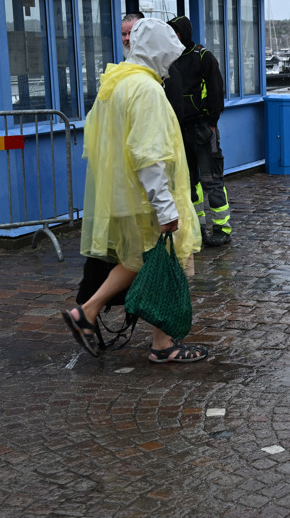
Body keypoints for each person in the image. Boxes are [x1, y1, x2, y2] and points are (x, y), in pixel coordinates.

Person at [64, 18, 207, 363]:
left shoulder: (116, 84)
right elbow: (149, 153)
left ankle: (87, 310)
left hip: (125, 195)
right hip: (148, 197)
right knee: (174, 262)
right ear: (159, 52)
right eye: (169, 56)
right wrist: (167, 208)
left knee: (136, 260)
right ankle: (163, 344)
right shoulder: (146, 90)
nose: (171, 65)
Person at [167, 16, 231, 248]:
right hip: (180, 130)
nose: (172, 37)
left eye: (175, 32)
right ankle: (199, 226)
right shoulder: (169, 59)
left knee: (211, 179)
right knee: (189, 181)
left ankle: (222, 228)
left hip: (203, 129)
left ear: (184, 33)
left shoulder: (203, 57)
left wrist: (211, 123)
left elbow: (216, 90)